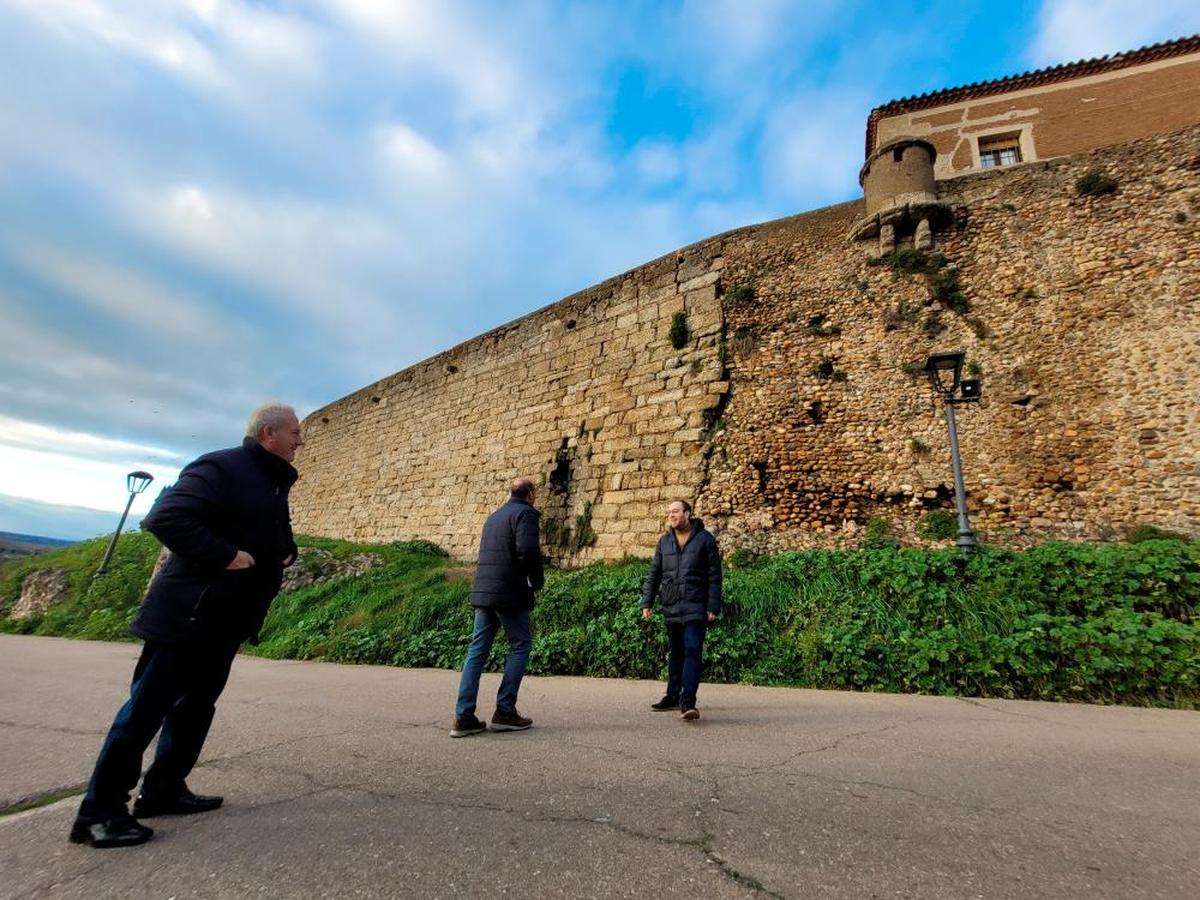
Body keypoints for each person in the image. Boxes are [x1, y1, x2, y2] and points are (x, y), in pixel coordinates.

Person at [69, 403, 304, 848]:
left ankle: (162, 789)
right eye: (295, 431)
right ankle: (98, 812)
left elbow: (265, 530)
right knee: (143, 713)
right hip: (187, 616)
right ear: (269, 433)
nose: (301, 439)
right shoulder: (221, 466)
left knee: (195, 709)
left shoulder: (272, 481)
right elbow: (166, 518)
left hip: (224, 621)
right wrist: (225, 555)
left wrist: (283, 550)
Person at [451, 477, 544, 737]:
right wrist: (536, 580)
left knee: (477, 650)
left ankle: (464, 716)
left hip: (485, 591)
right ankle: (505, 711)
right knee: (521, 645)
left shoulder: (494, 517)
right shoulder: (525, 514)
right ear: (531, 494)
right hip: (509, 592)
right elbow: (527, 550)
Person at [640, 499, 722, 720]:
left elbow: (715, 576)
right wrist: (647, 602)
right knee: (675, 652)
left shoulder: (705, 540)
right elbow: (654, 573)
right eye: (669, 512)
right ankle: (672, 695)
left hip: (696, 604)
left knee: (693, 650)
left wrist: (713, 605)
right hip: (672, 604)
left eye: (675, 511)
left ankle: (688, 702)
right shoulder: (664, 542)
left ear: (688, 513)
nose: (671, 515)